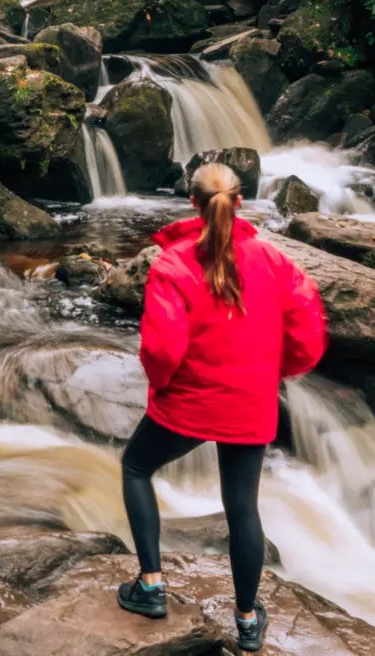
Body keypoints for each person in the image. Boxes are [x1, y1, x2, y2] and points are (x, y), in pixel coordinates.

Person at [118, 163, 326, 652]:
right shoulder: (275, 261)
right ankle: (249, 621)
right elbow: (308, 329)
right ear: (241, 202)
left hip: (190, 401)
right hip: (251, 403)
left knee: (135, 467)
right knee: (242, 509)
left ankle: (150, 586)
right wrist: (275, 372)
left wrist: (163, 388)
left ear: (192, 203)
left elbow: (163, 349)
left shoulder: (172, 265)